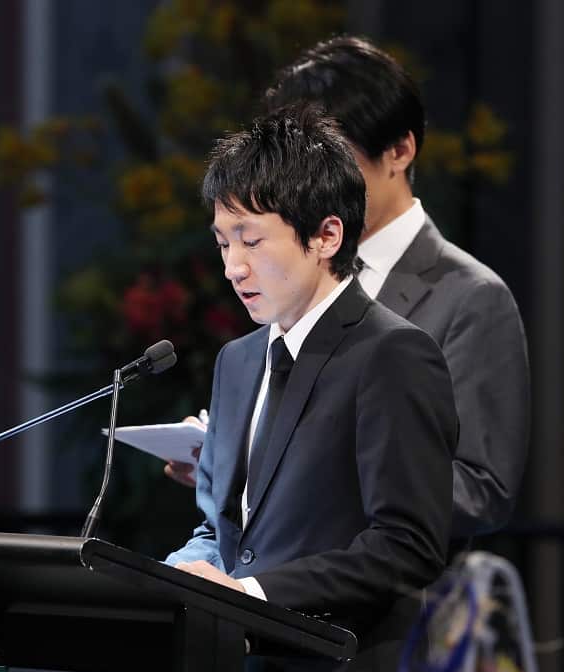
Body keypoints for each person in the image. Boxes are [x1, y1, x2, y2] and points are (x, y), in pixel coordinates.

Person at [167, 35, 530, 541]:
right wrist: (234, 464)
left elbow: (481, 489)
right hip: (264, 576)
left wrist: (308, 475)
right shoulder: (283, 269)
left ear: (399, 151)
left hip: (392, 582)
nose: (308, 174)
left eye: (331, 152)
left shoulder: (471, 297)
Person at [165, 105, 458, 672]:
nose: (233, 267)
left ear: (326, 236)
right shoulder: (237, 361)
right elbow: (223, 531)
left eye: (251, 240)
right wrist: (174, 575)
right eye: (222, 242)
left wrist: (249, 592)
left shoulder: (392, 354)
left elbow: (407, 546)